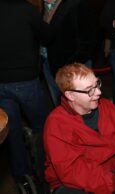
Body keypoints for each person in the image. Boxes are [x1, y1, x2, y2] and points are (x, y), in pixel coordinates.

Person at [43, 63, 115, 194]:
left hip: (107, 176)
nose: (99, 92)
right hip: (71, 184)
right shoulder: (56, 123)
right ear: (71, 96)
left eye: (97, 84)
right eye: (90, 89)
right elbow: (72, 172)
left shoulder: (107, 107)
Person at [0, 0, 52, 191]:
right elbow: (47, 37)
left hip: (1, 83)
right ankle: (46, 172)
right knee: (42, 128)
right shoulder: (28, 10)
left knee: (11, 129)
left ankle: (21, 176)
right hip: (25, 81)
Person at [42, 0, 98, 106]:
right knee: (59, 102)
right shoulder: (46, 6)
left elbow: (89, 40)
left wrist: (72, 64)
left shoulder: (77, 4)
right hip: (48, 62)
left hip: (72, 65)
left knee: (79, 105)